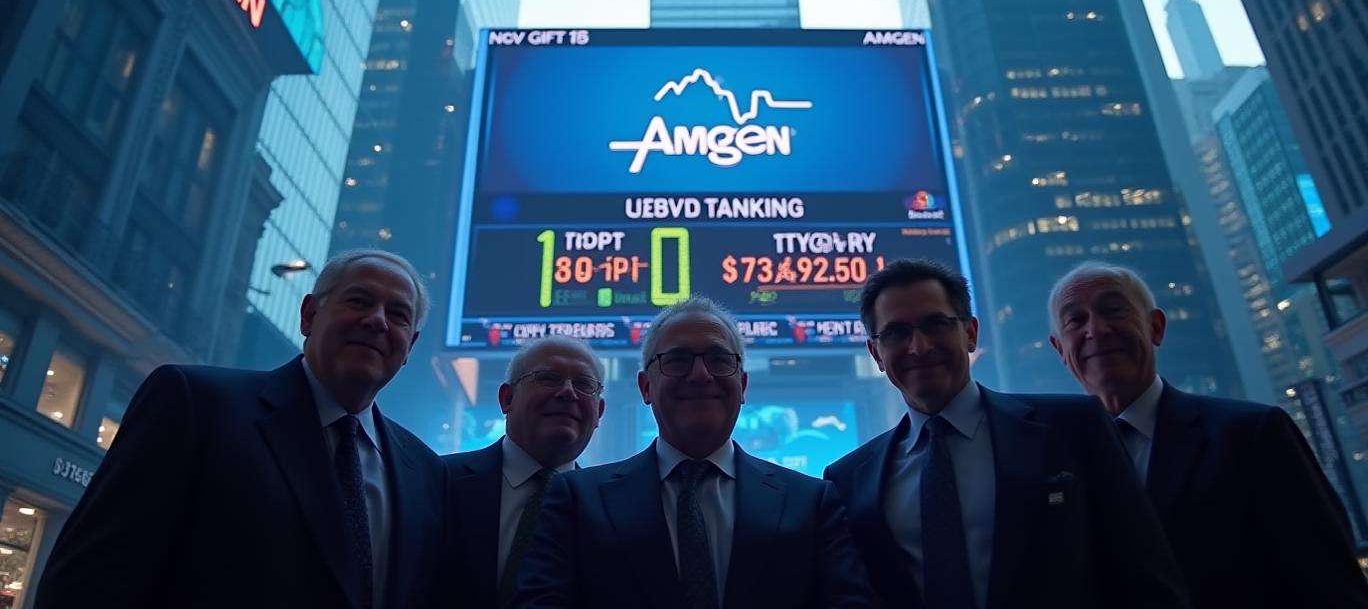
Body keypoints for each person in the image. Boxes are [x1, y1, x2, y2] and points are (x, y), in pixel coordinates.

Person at [35, 249, 446, 609]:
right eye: (359, 300)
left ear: (410, 346)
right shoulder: (195, 405)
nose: (377, 320)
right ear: (308, 315)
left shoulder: (425, 472)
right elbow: (88, 582)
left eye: (398, 314)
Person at [825, 258, 1190, 609]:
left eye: (936, 324)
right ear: (876, 352)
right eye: (896, 333)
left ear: (970, 333)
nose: (919, 347)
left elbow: (1147, 579)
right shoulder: (849, 480)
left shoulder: (1074, 428)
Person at [511, 296, 877, 608]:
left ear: (742, 384)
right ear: (645, 387)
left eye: (719, 360)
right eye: (677, 360)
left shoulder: (812, 503)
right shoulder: (576, 499)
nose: (700, 375)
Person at [1048, 260, 1368, 608]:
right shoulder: (1052, 467)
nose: (1096, 329)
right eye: (1075, 320)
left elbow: (1332, 586)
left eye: (1113, 310)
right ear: (1060, 350)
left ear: (1156, 327)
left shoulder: (1253, 434)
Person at [443, 336, 606, 608]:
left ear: (599, 412)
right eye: (549, 378)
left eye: (584, 384)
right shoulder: (438, 482)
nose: (568, 392)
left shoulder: (608, 513)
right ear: (507, 398)